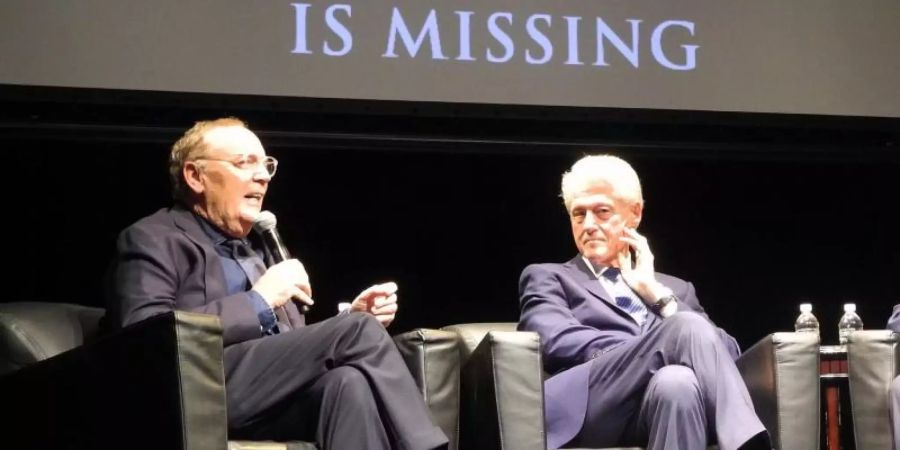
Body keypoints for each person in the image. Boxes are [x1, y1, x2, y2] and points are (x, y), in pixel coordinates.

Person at [105, 117, 448, 450]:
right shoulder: (153, 237)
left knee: (348, 383)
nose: (262, 177)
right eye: (244, 163)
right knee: (357, 332)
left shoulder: (260, 250)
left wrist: (348, 319)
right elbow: (145, 336)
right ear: (196, 176)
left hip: (266, 395)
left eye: (266, 165)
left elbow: (288, 345)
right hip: (198, 389)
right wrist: (260, 301)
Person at [517, 155, 770, 450]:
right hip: (591, 406)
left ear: (634, 214)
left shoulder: (675, 290)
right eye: (578, 214)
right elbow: (553, 339)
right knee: (684, 328)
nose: (588, 225)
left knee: (677, 383)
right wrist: (649, 349)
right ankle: (751, 445)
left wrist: (657, 295)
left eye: (601, 212)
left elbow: (725, 353)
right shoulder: (549, 276)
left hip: (654, 406)